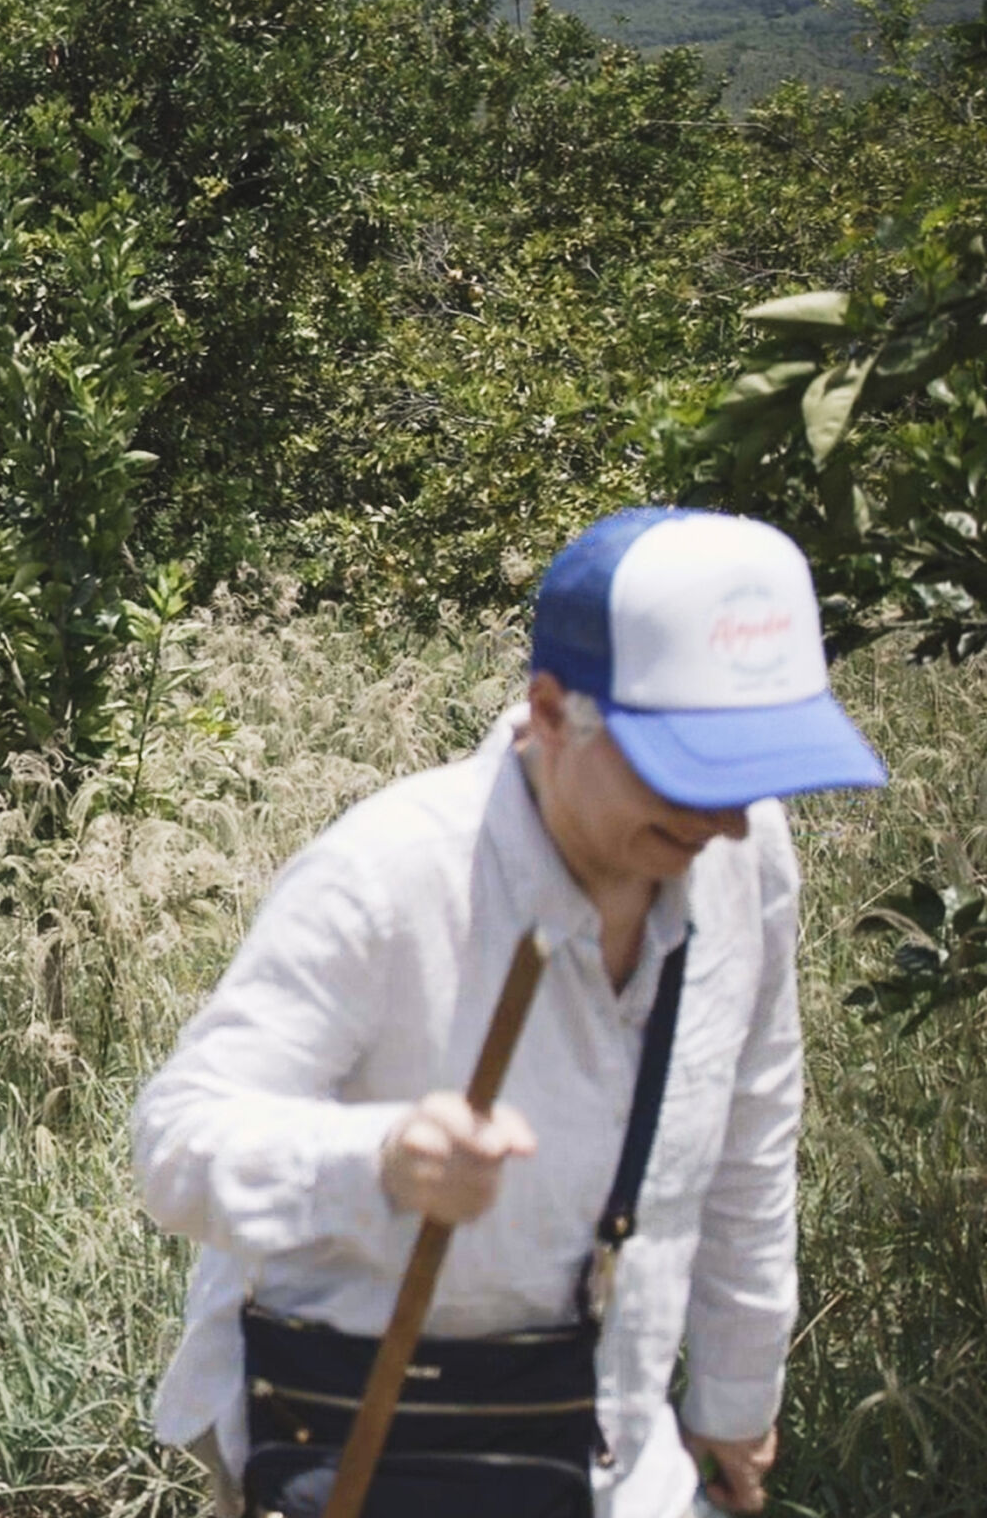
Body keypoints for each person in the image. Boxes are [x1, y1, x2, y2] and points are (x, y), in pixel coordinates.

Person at [132, 508, 887, 1518]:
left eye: (759, 768)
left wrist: (737, 1395)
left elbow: (753, 1126)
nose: (726, 816)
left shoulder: (746, 860)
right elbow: (176, 1142)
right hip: (378, 1442)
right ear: (548, 710)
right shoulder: (391, 875)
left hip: (622, 1453)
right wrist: (382, 1160)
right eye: (689, 768)